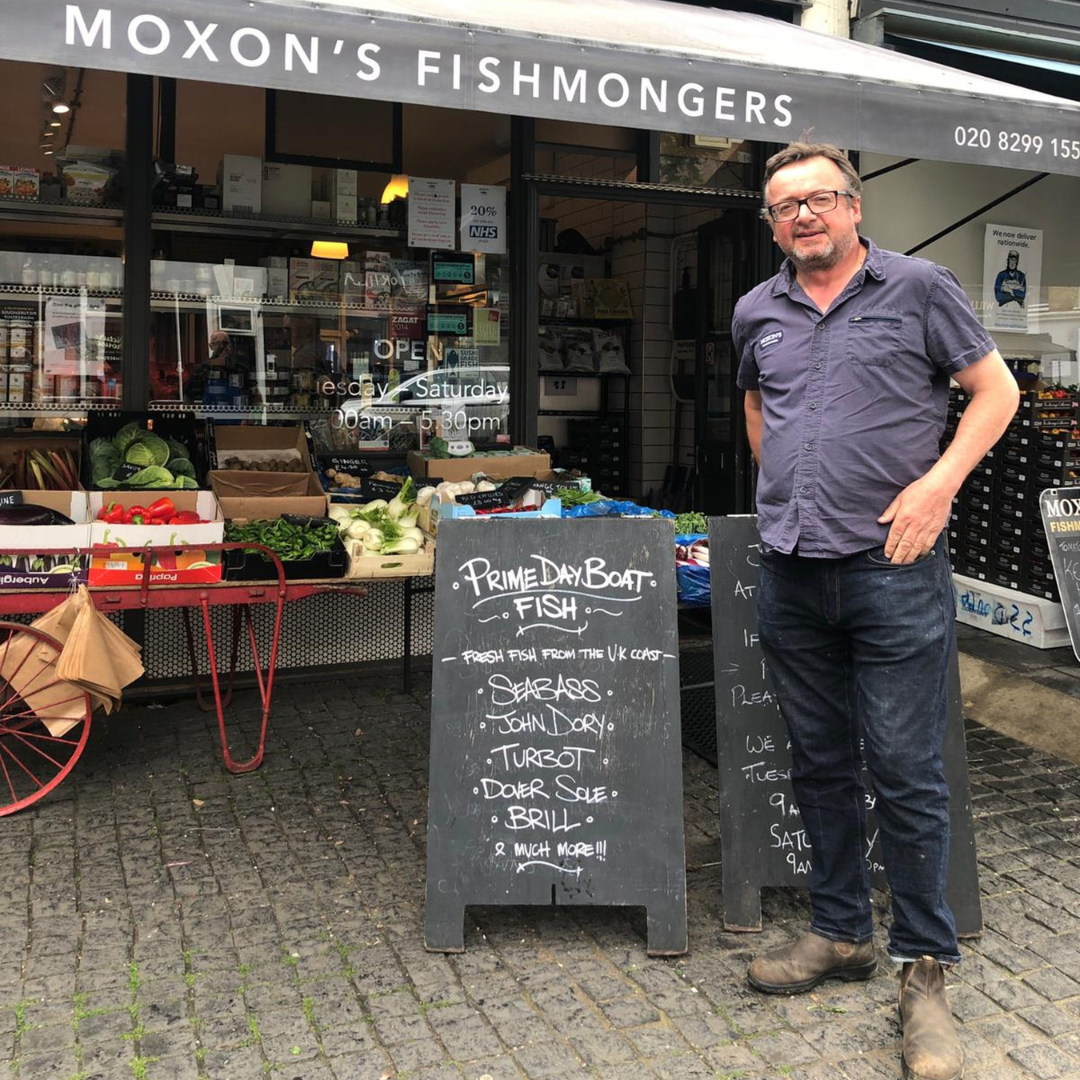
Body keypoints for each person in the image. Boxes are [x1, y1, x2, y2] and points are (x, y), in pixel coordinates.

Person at [732, 141, 1019, 1080]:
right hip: (792, 572)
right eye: (784, 206)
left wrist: (938, 485)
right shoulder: (756, 311)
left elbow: (995, 391)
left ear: (854, 207)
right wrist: (785, 496)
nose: (802, 215)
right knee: (817, 763)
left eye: (819, 199)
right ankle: (841, 931)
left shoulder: (921, 287)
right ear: (772, 224)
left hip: (893, 571)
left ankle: (924, 967)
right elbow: (759, 410)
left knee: (905, 769)